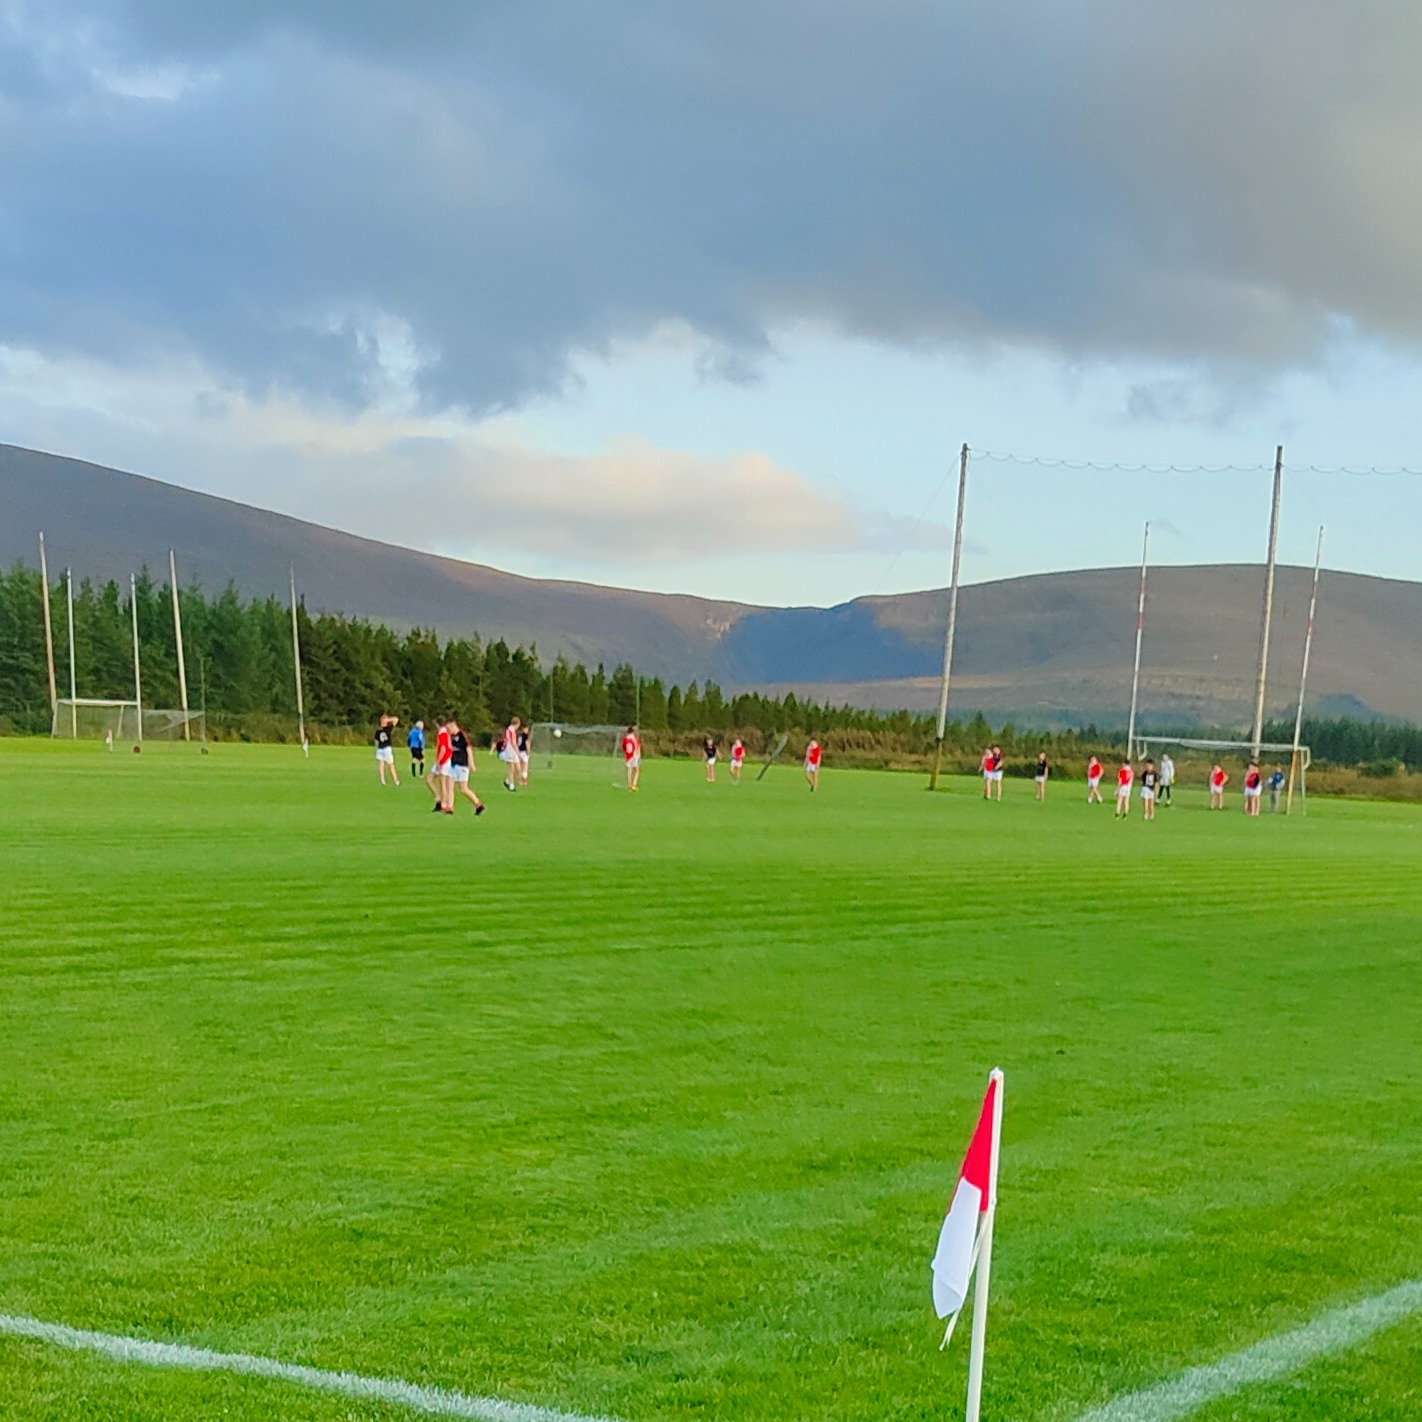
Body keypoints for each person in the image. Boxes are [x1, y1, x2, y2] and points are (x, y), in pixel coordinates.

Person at [446, 718, 485, 816]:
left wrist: (471, 763)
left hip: (462, 765)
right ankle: (450, 807)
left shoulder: (462, 735)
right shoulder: (452, 737)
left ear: (453, 725)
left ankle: (478, 804)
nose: (448, 730)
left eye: (449, 727)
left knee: (463, 789)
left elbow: (468, 749)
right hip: (453, 765)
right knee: (449, 787)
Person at [427, 717, 453, 813]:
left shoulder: (442, 732)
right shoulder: (446, 732)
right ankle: (438, 798)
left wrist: (439, 762)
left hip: (443, 760)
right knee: (429, 780)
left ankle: (443, 805)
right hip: (443, 759)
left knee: (443, 784)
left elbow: (443, 748)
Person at [375, 714, 400, 786]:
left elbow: (376, 741)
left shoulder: (379, 730)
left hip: (380, 748)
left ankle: (383, 780)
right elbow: (396, 719)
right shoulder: (388, 728)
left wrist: (388, 720)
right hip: (386, 748)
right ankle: (395, 780)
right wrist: (388, 720)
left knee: (382, 764)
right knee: (390, 764)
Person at [501, 716, 522, 791]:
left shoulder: (510, 730)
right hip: (510, 751)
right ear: (517, 724)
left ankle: (507, 781)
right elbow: (513, 742)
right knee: (512, 768)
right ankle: (511, 786)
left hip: (512, 751)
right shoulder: (511, 730)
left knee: (518, 769)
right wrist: (517, 752)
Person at [621, 725, 641, 791]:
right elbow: (638, 748)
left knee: (629, 770)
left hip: (628, 756)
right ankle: (634, 785)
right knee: (637, 770)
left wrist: (625, 754)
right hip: (635, 756)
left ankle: (629, 785)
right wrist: (639, 756)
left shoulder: (625, 739)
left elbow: (623, 748)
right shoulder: (635, 739)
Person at [517, 722, 531, 787]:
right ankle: (524, 781)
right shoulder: (525, 735)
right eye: (526, 729)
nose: (527, 730)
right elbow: (527, 743)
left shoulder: (519, 735)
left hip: (519, 752)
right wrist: (528, 751)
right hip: (523, 752)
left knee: (520, 767)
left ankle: (520, 781)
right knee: (525, 767)